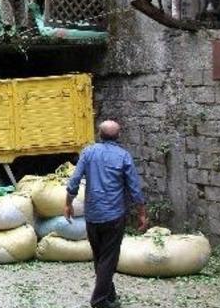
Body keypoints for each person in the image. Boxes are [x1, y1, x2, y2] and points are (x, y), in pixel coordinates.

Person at [65, 120, 148, 308]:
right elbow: (134, 188)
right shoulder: (123, 156)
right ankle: (99, 300)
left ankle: (109, 295)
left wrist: (68, 204)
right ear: (118, 136)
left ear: (99, 134)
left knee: (100, 257)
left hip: (92, 215)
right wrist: (142, 213)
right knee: (109, 258)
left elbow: (74, 181)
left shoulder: (88, 153)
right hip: (114, 215)